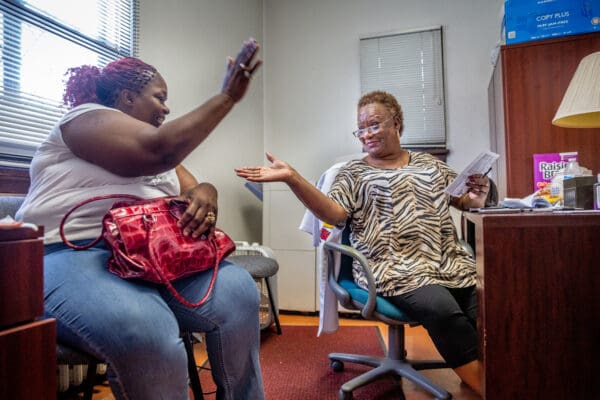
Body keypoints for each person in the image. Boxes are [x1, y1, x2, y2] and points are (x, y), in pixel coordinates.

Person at [16, 38, 264, 400]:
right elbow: (156, 151)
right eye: (159, 97)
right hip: (75, 253)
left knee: (239, 293)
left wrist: (207, 191)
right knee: (146, 330)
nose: (166, 108)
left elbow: (190, 185)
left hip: (155, 256)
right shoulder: (85, 119)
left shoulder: (163, 151)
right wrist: (225, 97)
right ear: (127, 96)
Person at [236, 90, 492, 396]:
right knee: (442, 310)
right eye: (362, 129)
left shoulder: (430, 165)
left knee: (485, 310)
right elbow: (334, 214)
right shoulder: (353, 173)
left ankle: (485, 371)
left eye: (374, 125)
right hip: (394, 268)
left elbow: (463, 200)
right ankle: (490, 386)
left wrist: (477, 196)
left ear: (396, 123)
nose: (366, 134)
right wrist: (293, 178)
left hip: (448, 261)